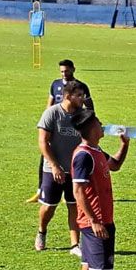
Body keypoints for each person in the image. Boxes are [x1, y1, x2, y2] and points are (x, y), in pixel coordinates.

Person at [69, 112, 129, 270]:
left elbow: (115, 165)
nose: (103, 125)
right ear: (91, 128)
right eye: (99, 123)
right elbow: (78, 191)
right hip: (97, 222)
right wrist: (94, 221)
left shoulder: (95, 152)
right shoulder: (84, 156)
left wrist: (124, 145)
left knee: (88, 269)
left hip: (97, 221)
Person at [28, 60, 95, 204]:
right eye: (62, 71)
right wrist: (47, 121)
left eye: (67, 71)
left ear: (73, 70)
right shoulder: (55, 84)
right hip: (55, 126)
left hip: (73, 126)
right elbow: (49, 104)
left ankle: (75, 190)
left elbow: (89, 107)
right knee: (46, 158)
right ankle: (40, 191)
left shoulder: (81, 87)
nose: (64, 74)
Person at [36, 81, 89, 253]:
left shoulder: (83, 115)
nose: (83, 99)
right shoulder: (52, 113)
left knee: (74, 205)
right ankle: (42, 232)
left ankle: (75, 244)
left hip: (75, 170)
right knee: (49, 207)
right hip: (53, 170)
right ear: (68, 96)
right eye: (79, 96)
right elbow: (43, 142)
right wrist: (55, 166)